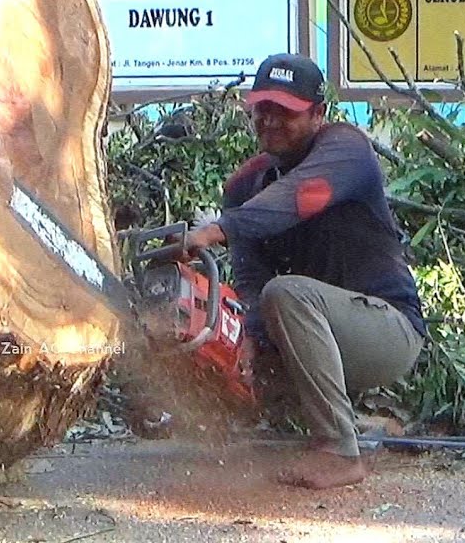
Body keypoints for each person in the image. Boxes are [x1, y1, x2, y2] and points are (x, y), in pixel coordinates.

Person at [180, 53, 426, 489]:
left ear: (318, 114)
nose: (270, 121)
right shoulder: (245, 185)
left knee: (286, 293)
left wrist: (217, 229)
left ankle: (339, 452)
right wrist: (248, 341)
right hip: (315, 332)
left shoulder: (345, 149)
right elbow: (251, 278)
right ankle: (357, 424)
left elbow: (297, 197)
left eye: (286, 111)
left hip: (388, 330)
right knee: (226, 339)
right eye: (263, 109)